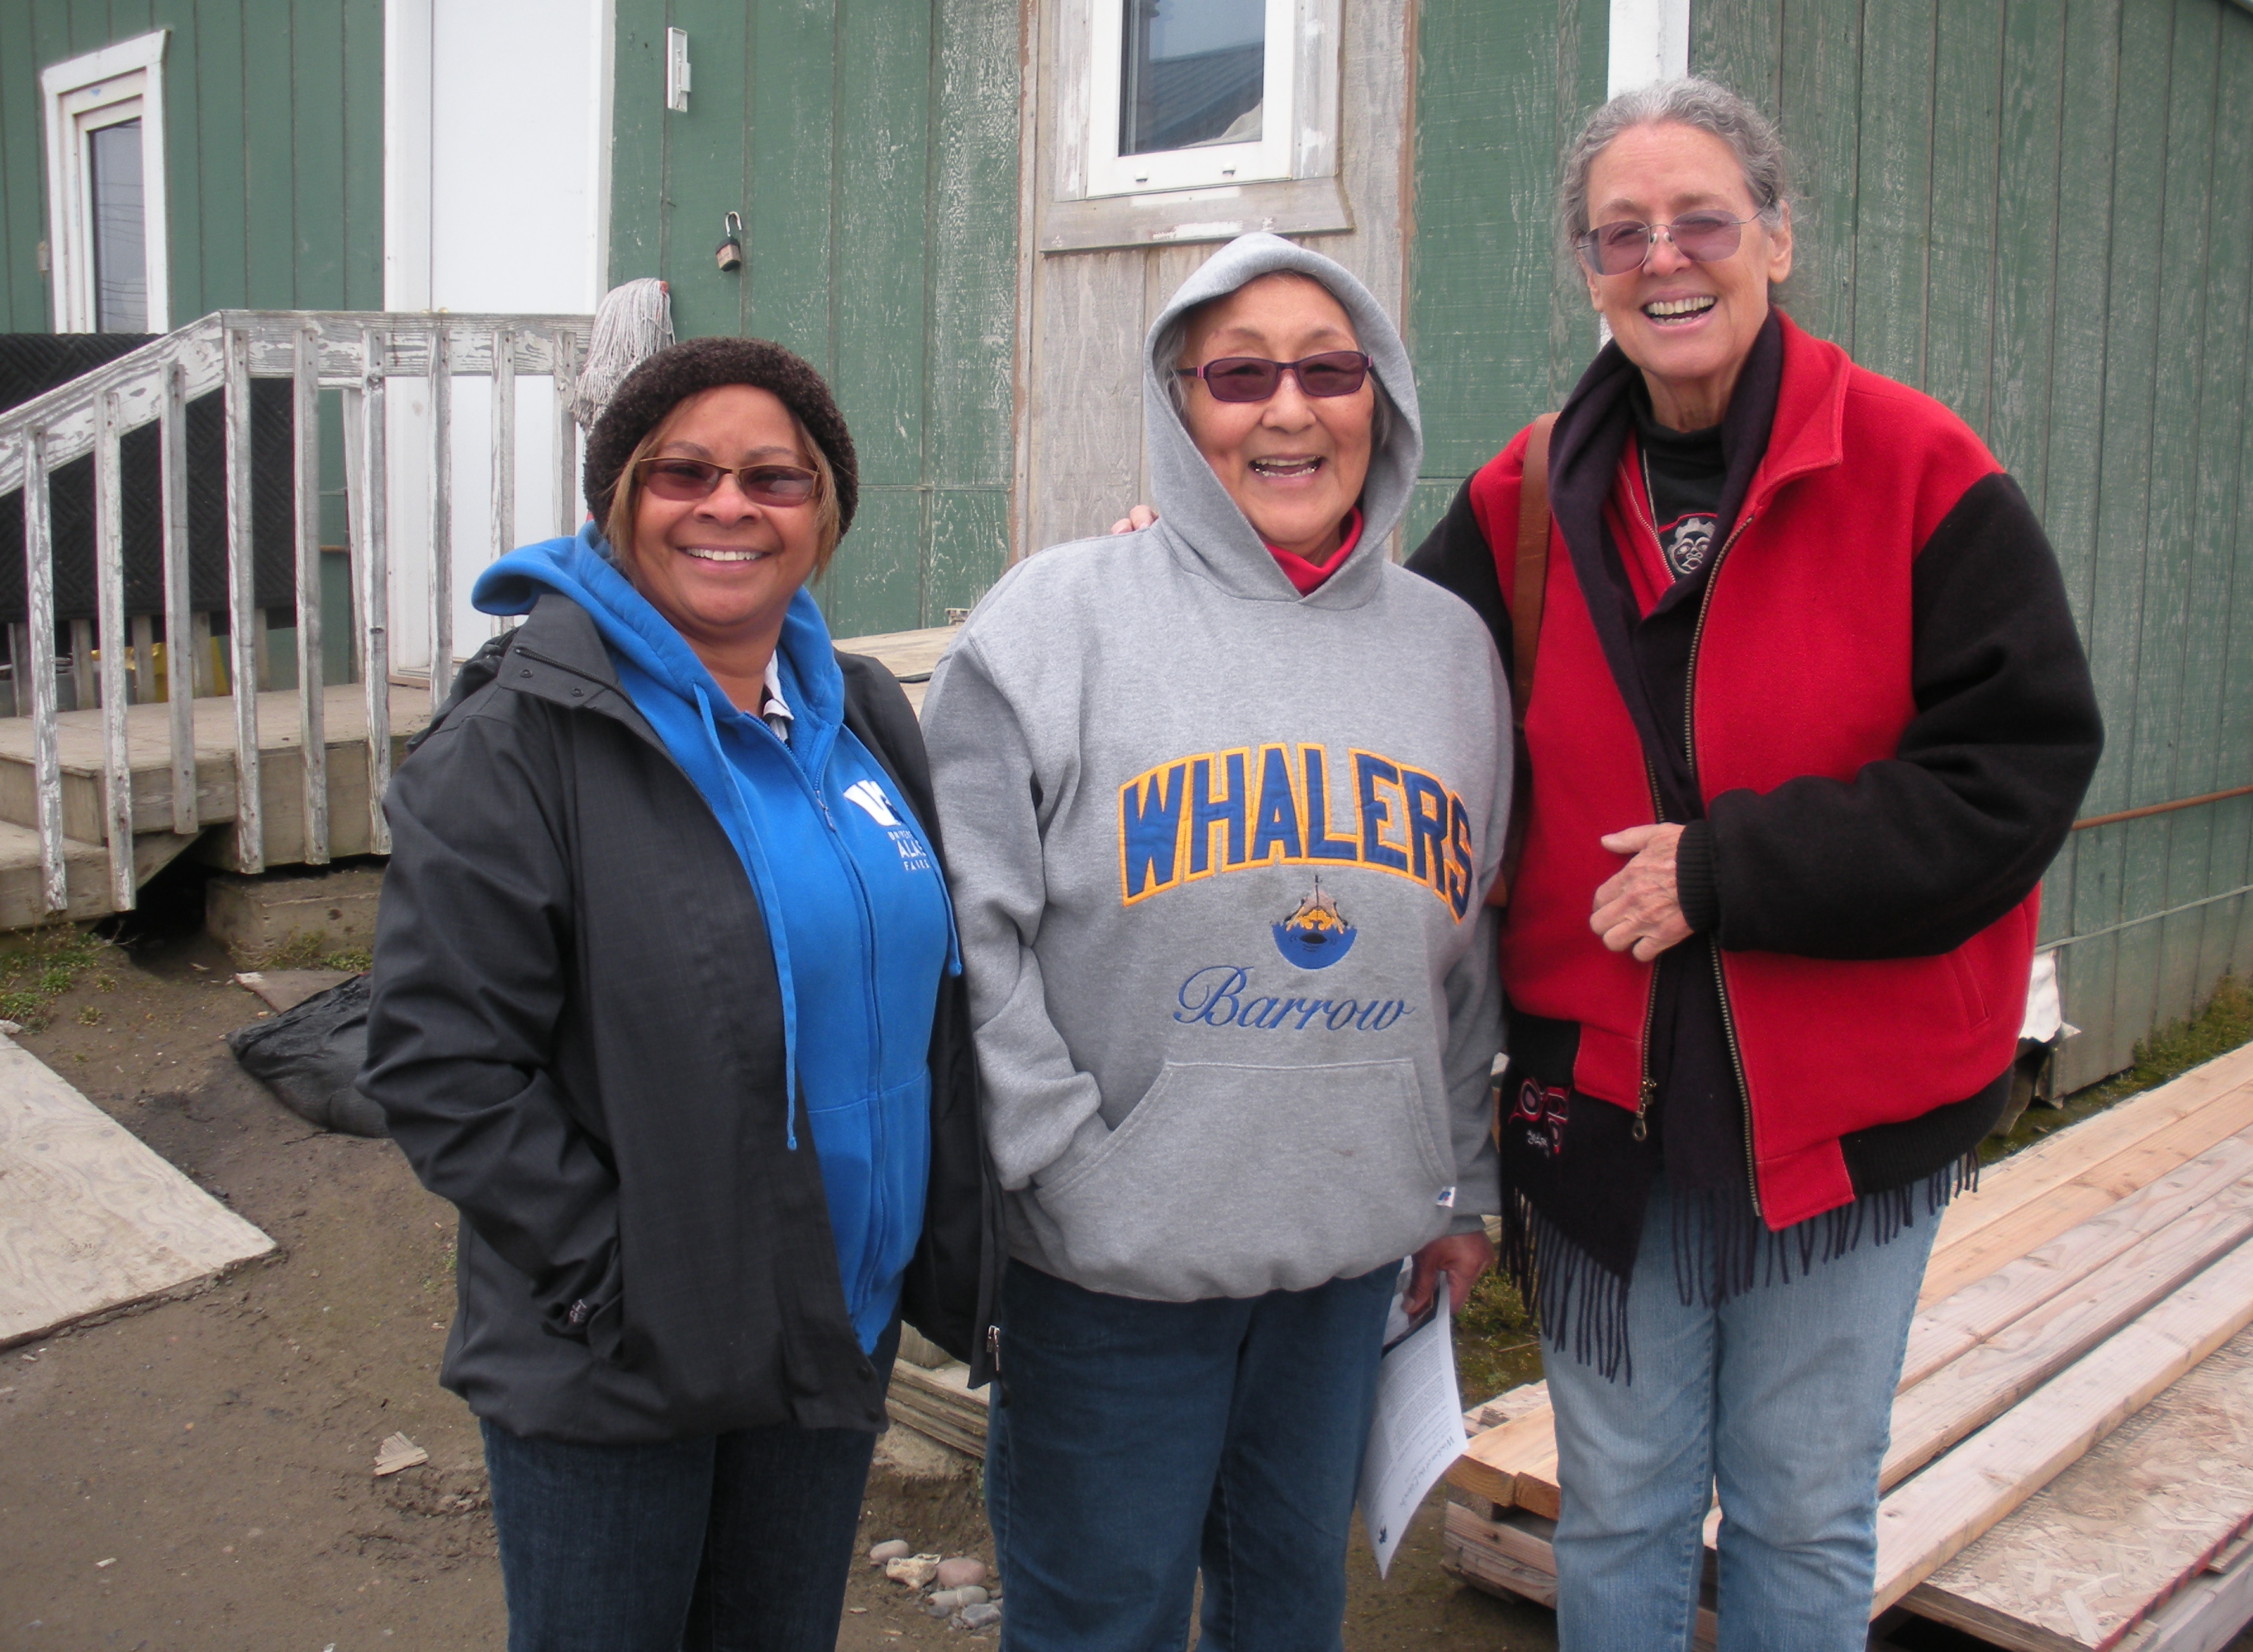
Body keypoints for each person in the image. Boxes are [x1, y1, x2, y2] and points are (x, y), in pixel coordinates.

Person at [1404, 78, 2104, 1651]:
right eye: (1622, 231)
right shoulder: (1522, 503)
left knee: (1800, 1507)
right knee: (1629, 1502)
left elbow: (2018, 774)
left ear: (1777, 238)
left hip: (1846, 1119)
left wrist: (1734, 868)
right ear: (1588, 270)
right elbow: (1394, 698)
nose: (1667, 258)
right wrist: (1222, 577)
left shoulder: (1922, 471)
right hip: (1600, 1109)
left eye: (1704, 219)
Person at [360, 339, 994, 1652]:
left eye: (775, 475)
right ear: (618, 500)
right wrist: (622, 1279)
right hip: (627, 1352)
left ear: (822, 516)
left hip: (834, 1320)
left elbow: (931, 991)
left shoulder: (863, 714)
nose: (728, 505)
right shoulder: (519, 741)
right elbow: (440, 1064)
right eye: (683, 472)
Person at [922, 233, 1507, 1652]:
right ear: (1182, 408)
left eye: (1330, 369)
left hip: (1345, 1263)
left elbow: (1471, 945)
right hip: (1116, 1268)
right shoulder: (1055, 622)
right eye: (1240, 375)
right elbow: (965, 933)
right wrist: (1060, 1162)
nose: (1289, 409)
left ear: (1385, 399)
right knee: (1097, 1623)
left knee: (1286, 1610)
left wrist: (1460, 1180)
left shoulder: (1449, 649)